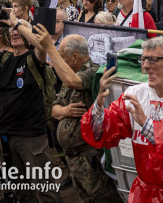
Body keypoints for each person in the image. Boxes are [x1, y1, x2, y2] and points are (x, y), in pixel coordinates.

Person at [83, 37, 163, 203]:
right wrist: (99, 106)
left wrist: (146, 124)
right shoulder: (136, 94)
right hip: (146, 193)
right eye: (143, 59)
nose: (145, 67)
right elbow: (102, 133)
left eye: (153, 60)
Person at [0, 14, 71, 203]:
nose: (15, 32)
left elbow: (42, 45)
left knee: (45, 189)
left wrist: (16, 22)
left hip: (31, 136)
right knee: (22, 192)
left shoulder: (34, 57)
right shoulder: (5, 58)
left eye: (19, 30)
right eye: (12, 30)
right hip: (9, 135)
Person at [46, 34, 125, 203]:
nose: (58, 62)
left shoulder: (92, 72)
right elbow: (54, 109)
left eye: (62, 57)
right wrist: (65, 110)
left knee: (103, 198)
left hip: (89, 158)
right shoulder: (72, 74)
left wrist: (49, 47)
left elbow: (73, 81)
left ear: (75, 57)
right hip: (73, 159)